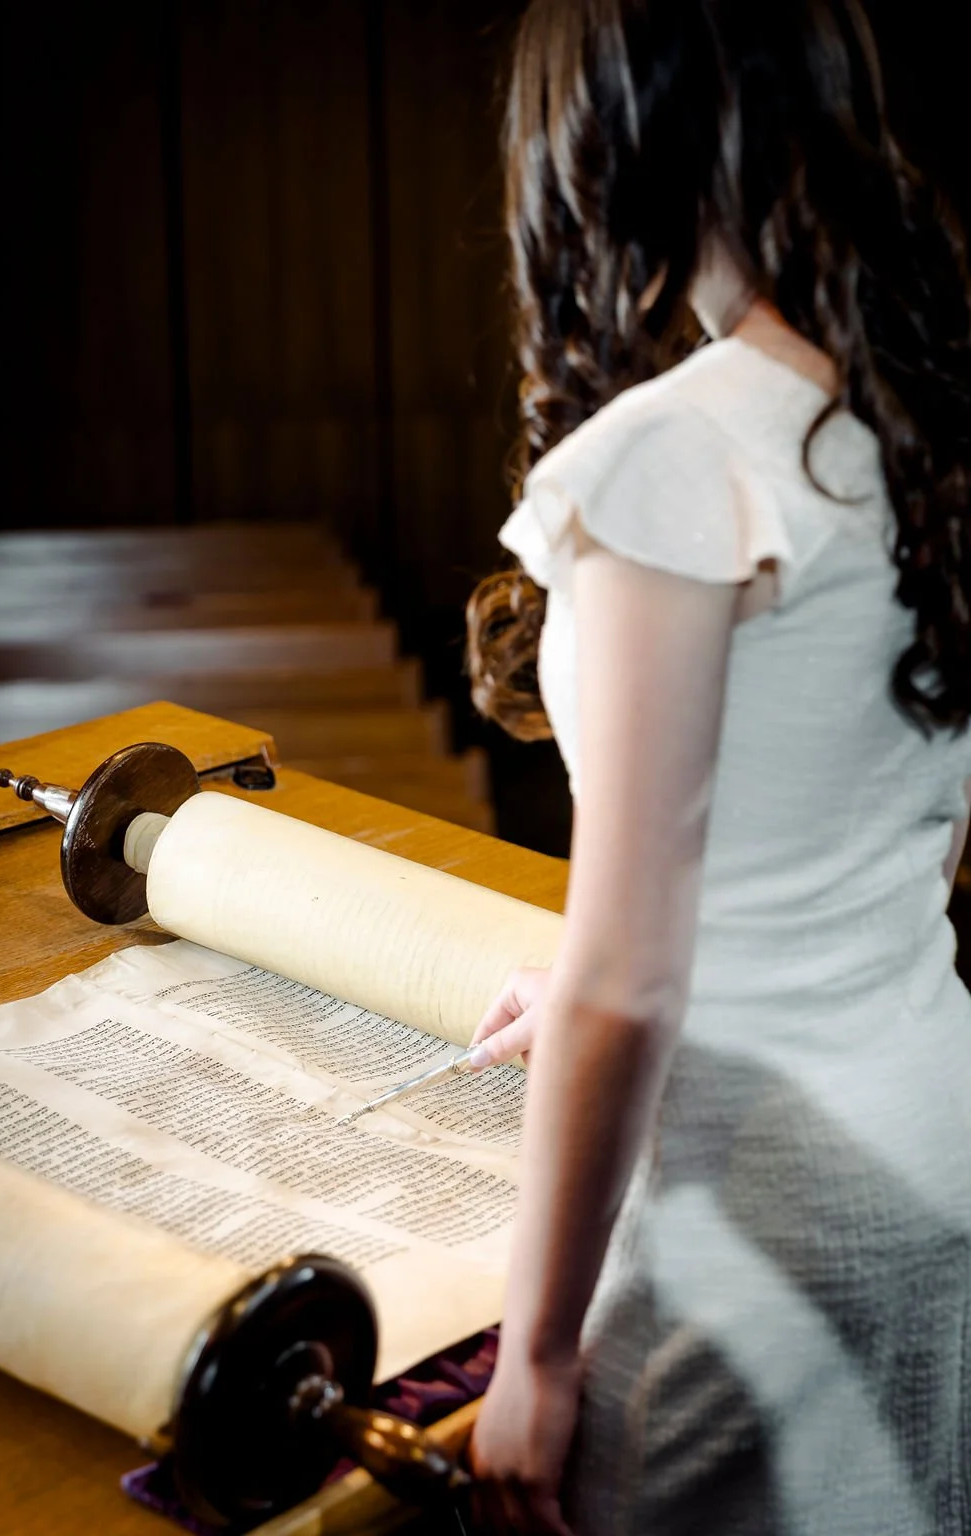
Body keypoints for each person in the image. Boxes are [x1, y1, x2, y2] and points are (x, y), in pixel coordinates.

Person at [461, 1, 971, 1532]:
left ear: (606, 140)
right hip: (930, 1139)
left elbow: (631, 978)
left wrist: (537, 1355)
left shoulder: (676, 456)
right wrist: (591, 979)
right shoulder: (917, 406)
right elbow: (893, 821)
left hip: (751, 1218)